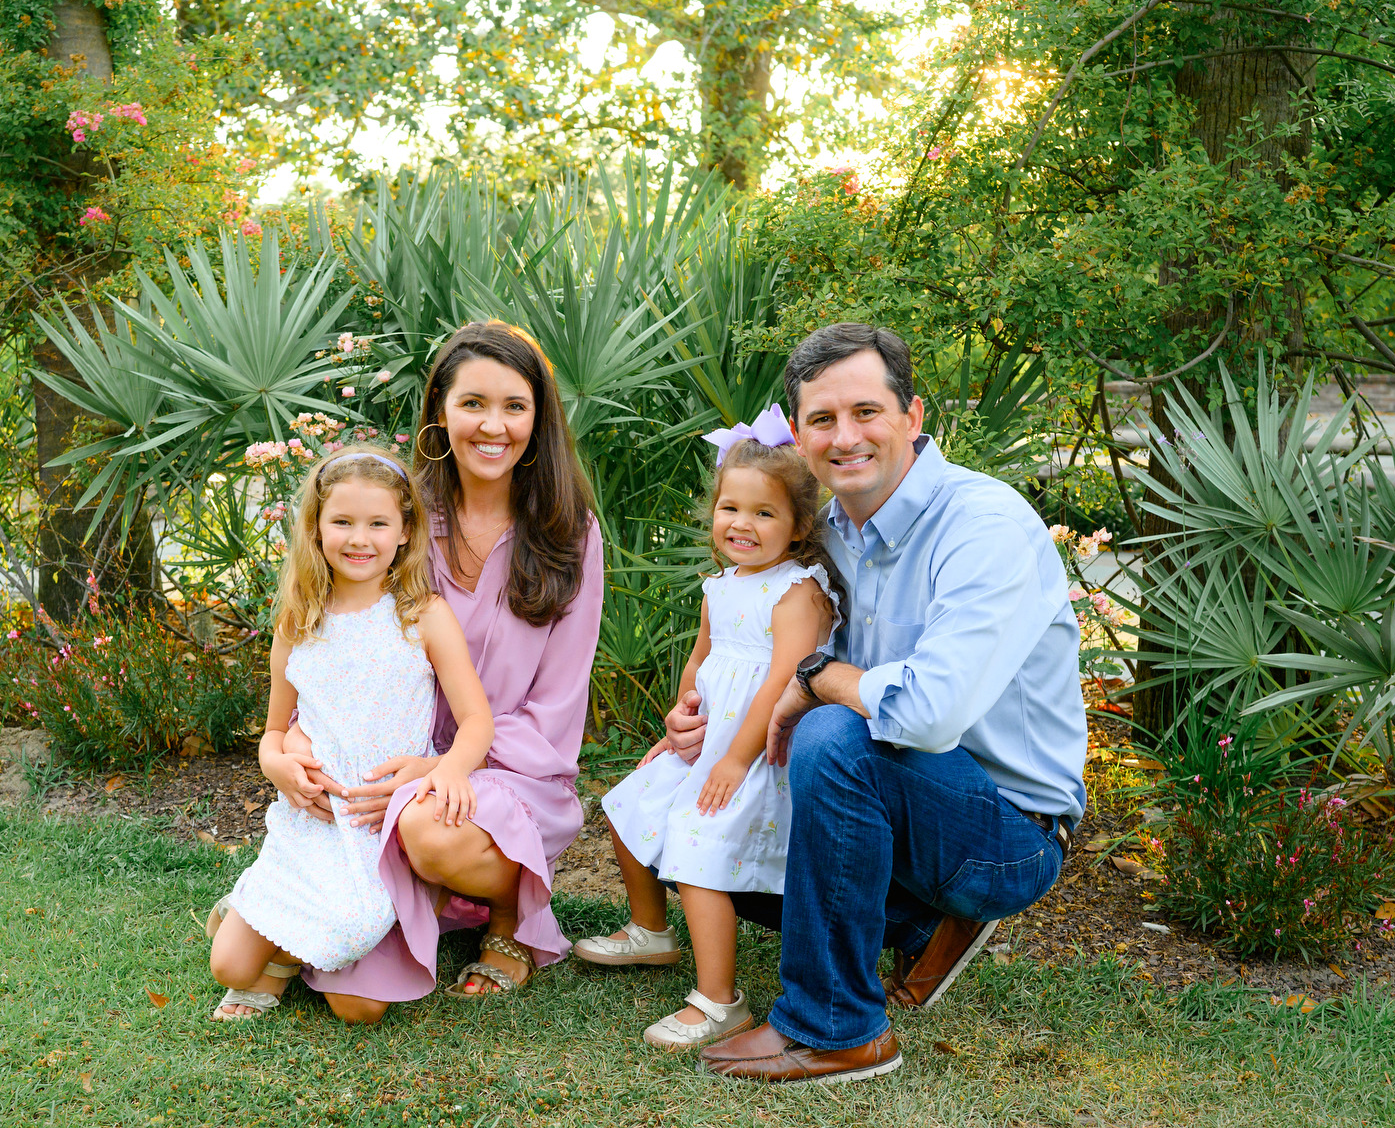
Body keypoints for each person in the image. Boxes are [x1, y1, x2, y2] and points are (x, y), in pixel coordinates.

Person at [685, 323, 1088, 1084]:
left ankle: (839, 1031)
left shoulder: (983, 526)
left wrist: (816, 679)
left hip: (1007, 830)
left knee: (833, 732)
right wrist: (700, 714)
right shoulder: (824, 531)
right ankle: (926, 924)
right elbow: (753, 636)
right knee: (721, 851)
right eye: (822, 420)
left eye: (866, 412)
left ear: (913, 416)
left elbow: (928, 714)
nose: (846, 437)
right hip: (904, 794)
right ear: (799, 436)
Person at [284, 321, 605, 1020]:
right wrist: (292, 746)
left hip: (517, 767)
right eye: (472, 404)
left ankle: (506, 920)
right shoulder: (398, 519)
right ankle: (336, 901)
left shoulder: (568, 529)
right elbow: (338, 644)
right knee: (383, 856)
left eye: (515, 406)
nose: (494, 426)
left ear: (538, 417)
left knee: (427, 830)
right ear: (439, 410)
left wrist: (443, 766)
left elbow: (559, 700)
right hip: (391, 758)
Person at [576, 408, 840, 1050]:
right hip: (707, 745)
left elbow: (784, 683)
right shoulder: (720, 586)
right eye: (731, 508)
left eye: (764, 513)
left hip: (756, 755)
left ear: (799, 525)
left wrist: (732, 760)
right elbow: (701, 659)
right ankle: (651, 931)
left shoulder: (799, 590)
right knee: (627, 804)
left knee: (697, 848)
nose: (742, 525)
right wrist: (677, 721)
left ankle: (721, 999)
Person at [203, 446, 495, 1020]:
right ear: (315, 528)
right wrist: (277, 765)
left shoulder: (422, 615)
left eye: (378, 523)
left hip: (380, 824)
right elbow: (272, 731)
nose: (359, 538)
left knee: (359, 1008)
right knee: (230, 968)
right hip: (312, 820)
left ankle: (287, 936)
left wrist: (448, 769)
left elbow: (476, 722)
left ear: (405, 531)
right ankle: (268, 927)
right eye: (342, 522)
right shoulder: (298, 618)